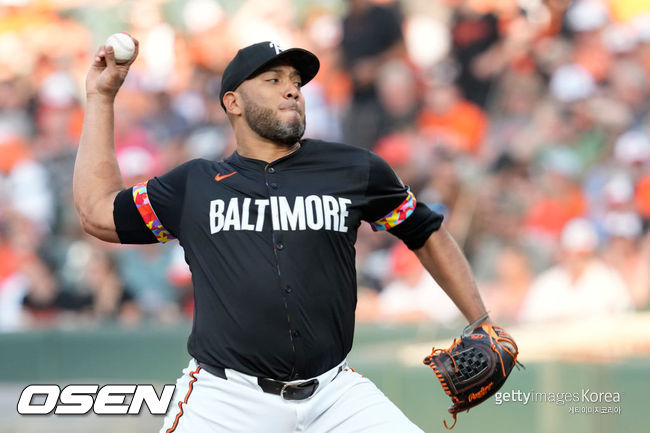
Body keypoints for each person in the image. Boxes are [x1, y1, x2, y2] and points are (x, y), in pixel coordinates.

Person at [74, 37, 491, 433]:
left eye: (296, 81)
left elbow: (425, 230)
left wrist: (482, 321)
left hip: (334, 394)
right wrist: (101, 97)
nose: (291, 90)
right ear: (232, 102)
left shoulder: (353, 169)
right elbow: (96, 212)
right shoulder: (195, 185)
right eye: (273, 80)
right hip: (226, 398)